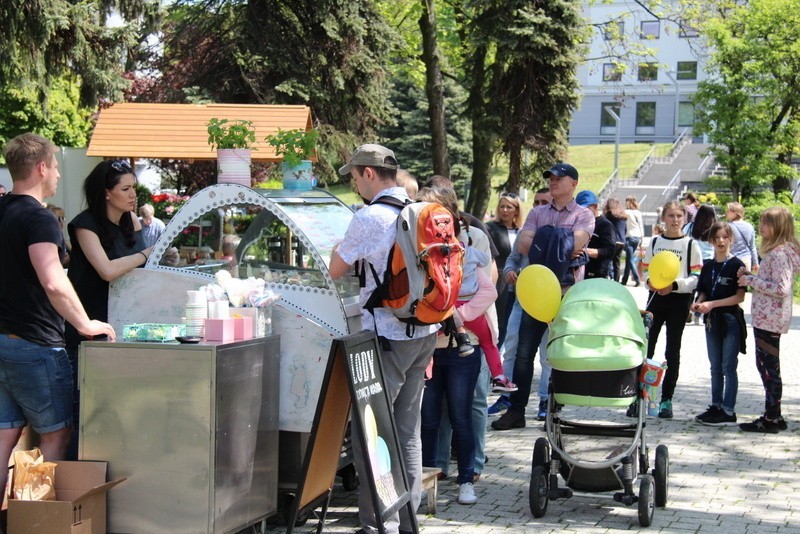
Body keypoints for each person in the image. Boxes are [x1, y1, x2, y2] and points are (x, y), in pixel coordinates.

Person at [0, 133, 115, 506]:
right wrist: (86, 324)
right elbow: (53, 280)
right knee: (56, 435)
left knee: (4, 436)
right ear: (41, 167)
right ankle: (41, 524)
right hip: (34, 345)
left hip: (3, 341)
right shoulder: (39, 218)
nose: (59, 176)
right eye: (56, 167)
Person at [328, 144, 438, 534]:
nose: (355, 184)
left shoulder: (370, 216)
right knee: (407, 431)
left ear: (370, 174)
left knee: (371, 432)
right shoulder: (421, 209)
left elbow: (335, 269)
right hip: (423, 331)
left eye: (355, 177)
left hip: (386, 336)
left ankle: (378, 524)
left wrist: (338, 252)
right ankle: (407, 520)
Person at [492, 163, 594, 431]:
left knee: (559, 356)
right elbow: (524, 245)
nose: (553, 181)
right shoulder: (537, 212)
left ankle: (553, 411)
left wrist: (543, 238)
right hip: (534, 295)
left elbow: (578, 242)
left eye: (559, 178)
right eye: (550, 177)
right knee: (524, 355)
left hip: (565, 295)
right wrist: (560, 241)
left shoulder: (584, 215)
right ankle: (516, 411)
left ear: (573, 183)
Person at [64, 159, 152, 458]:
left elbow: (141, 272)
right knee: (88, 411)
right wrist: (145, 254)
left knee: (122, 408)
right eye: (125, 189)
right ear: (105, 193)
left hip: (126, 328)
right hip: (89, 329)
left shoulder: (132, 222)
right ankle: (79, 481)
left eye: (134, 188)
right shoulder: (84, 225)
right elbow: (106, 270)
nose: (132, 195)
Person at [417, 186, 515, 393]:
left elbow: (488, 288)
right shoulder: (427, 243)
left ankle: (497, 376)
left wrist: (457, 316)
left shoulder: (468, 240)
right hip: (440, 323)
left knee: (471, 404)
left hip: (457, 317)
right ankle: (499, 376)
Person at [737, 206, 800, 433]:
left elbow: (781, 288)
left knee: (767, 368)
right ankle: (774, 414)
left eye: (765, 223)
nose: (760, 227)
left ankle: (771, 418)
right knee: (767, 365)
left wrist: (751, 281)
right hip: (769, 317)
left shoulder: (779, 254)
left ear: (777, 227)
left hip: (770, 319)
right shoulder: (779, 252)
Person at [489, 188, 551, 418]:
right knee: (512, 348)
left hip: (548, 301)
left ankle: (545, 400)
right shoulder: (528, 230)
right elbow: (513, 259)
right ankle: (507, 395)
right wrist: (510, 271)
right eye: (536, 201)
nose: (539, 205)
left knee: (547, 354)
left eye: (544, 202)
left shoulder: (559, 232)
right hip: (520, 298)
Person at [637, 201, 702, 419]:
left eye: (679, 216)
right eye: (671, 216)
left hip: (678, 301)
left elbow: (696, 278)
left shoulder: (691, 245)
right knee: (647, 348)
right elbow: (646, 270)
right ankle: (639, 397)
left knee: (672, 350)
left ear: (685, 219)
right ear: (663, 218)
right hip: (656, 299)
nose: (675, 220)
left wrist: (674, 286)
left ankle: (666, 400)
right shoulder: (655, 241)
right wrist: (651, 283)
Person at [691, 222, 746, 426]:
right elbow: (704, 289)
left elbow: (739, 297)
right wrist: (698, 302)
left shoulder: (737, 265)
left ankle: (728, 410)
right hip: (711, 321)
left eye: (725, 237)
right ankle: (715, 406)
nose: (721, 241)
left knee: (728, 366)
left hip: (730, 320)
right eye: (717, 238)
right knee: (715, 367)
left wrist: (712, 304)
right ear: (712, 241)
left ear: (730, 239)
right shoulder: (708, 265)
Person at [485, 192, 524, 346]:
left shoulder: (523, 230)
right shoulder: (490, 228)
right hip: (498, 284)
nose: (505, 210)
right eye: (502, 206)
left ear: (517, 210)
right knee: (496, 328)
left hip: (519, 287)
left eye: (509, 207)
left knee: (511, 329)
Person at [685, 204, 718, 325]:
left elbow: (684, 239)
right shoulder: (714, 229)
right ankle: (698, 314)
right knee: (704, 290)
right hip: (708, 261)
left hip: (692, 260)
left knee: (691, 286)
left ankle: (687, 309)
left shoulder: (690, 227)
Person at [578, 191, 616, 279]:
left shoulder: (605, 225)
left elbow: (610, 251)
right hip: (578, 274)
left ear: (595, 206)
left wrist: (585, 251)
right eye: (579, 209)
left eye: (586, 209)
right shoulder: (578, 224)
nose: (582, 212)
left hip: (597, 275)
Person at [725, 202, 759, 272]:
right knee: (744, 282)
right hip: (746, 260)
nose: (726, 213)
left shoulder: (727, 226)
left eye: (728, 211)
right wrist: (755, 263)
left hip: (731, 259)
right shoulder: (749, 226)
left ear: (735, 213)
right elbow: (752, 246)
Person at [603, 196, 627, 282]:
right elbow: (625, 230)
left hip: (612, 240)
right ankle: (617, 281)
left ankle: (608, 279)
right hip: (621, 241)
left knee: (608, 261)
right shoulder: (623, 217)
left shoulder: (609, 215)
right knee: (617, 263)